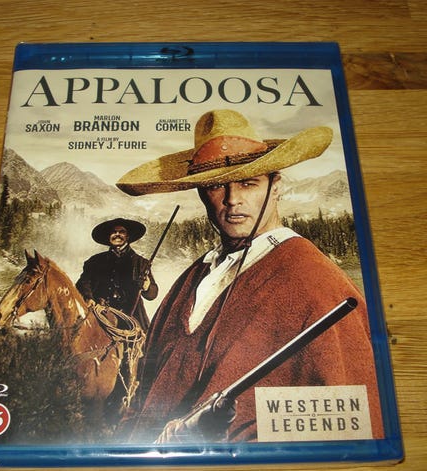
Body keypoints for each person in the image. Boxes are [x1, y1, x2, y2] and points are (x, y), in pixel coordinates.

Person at [115, 109, 384, 443]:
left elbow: (350, 418)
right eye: (215, 186)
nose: (233, 200)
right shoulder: (193, 277)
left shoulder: (317, 284)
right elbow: (144, 387)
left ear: (275, 186)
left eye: (248, 182)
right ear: (201, 193)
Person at [76, 218, 158, 332]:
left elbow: (153, 294)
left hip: (132, 317)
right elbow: (83, 283)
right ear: (108, 236)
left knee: (145, 340)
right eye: (113, 232)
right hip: (100, 314)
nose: (117, 234)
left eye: (122, 232)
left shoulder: (141, 263)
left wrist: (147, 287)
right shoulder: (94, 261)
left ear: (127, 236)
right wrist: (88, 297)